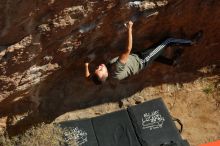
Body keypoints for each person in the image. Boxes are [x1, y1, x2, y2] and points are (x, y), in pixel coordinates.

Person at [84, 21, 195, 84]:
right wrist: (130, 29)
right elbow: (128, 49)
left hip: (138, 59)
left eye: (97, 69)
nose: (99, 67)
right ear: (105, 76)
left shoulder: (103, 77)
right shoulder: (116, 68)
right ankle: (191, 42)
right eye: (100, 70)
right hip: (143, 59)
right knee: (167, 41)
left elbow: (88, 78)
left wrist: (86, 65)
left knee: (156, 54)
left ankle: (172, 62)